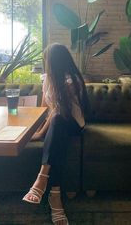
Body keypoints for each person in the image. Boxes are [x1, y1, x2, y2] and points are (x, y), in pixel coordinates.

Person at [22, 43, 88, 225]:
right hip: (56, 125)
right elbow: (45, 108)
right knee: (57, 141)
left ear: (54, 62)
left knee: (58, 119)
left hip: (74, 123)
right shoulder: (47, 79)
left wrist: (40, 133)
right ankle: (55, 196)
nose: (46, 64)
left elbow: (59, 110)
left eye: (47, 60)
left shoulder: (71, 81)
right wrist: (36, 127)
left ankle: (41, 180)